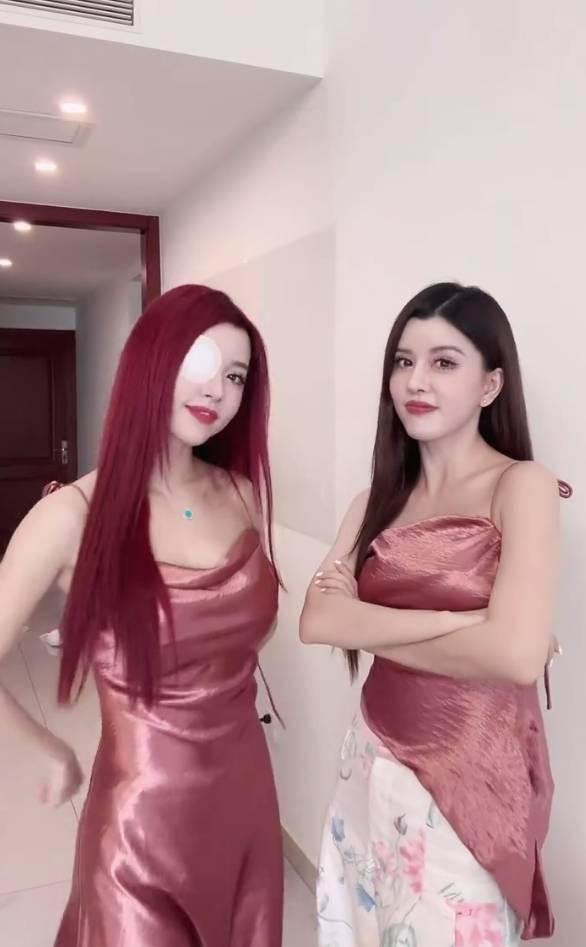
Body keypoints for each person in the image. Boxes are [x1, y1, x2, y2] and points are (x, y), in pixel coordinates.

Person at [0, 285, 283, 947]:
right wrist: (49, 747)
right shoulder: (71, 515)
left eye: (236, 376)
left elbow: (245, 631)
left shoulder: (243, 492)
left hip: (246, 799)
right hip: (140, 827)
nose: (217, 390)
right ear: (152, 358)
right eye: (200, 360)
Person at [300, 283, 569, 946]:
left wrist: (369, 622)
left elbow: (515, 656)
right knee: (363, 923)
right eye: (403, 361)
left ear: (490, 384)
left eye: (443, 362)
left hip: (474, 775)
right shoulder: (375, 501)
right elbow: (318, 621)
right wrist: (462, 624)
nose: (415, 380)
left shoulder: (522, 486)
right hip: (372, 757)